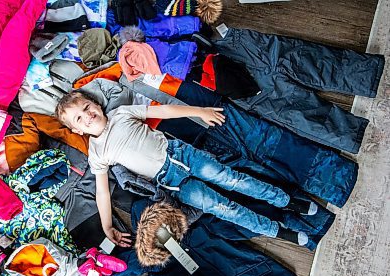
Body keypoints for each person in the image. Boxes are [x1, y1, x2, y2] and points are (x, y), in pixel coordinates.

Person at [55, 91, 317, 247]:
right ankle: (277, 231)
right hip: (171, 182)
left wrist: (199, 111)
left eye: (87, 107)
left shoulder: (122, 113)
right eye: (79, 118)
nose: (87, 115)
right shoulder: (97, 153)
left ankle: (285, 200)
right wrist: (106, 225)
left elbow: (164, 110)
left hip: (182, 154)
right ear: (77, 130)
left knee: (232, 179)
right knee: (222, 207)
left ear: (96, 105)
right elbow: (102, 192)